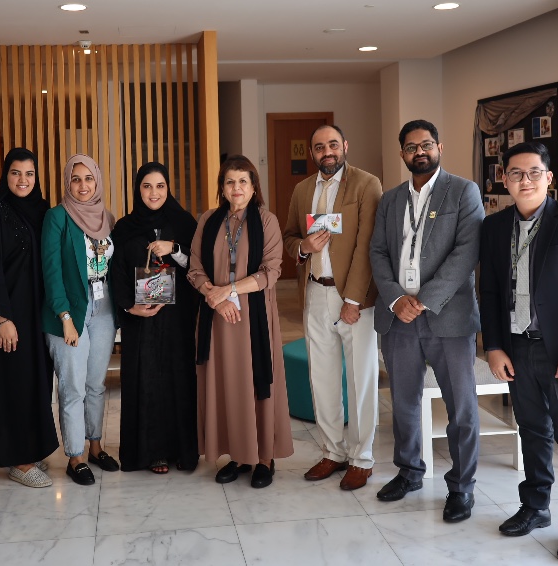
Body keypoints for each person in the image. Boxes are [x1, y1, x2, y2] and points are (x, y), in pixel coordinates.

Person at [480, 142, 558, 561]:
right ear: (504, 179)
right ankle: (535, 507)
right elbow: (491, 290)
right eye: (516, 173)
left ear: (549, 178)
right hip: (517, 347)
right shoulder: (494, 227)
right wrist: (493, 346)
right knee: (532, 431)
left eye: (534, 172)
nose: (525, 180)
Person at [369, 120, 484, 522]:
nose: (420, 151)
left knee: (462, 408)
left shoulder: (463, 191)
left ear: (439, 147)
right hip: (398, 317)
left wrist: (424, 301)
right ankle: (409, 471)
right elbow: (378, 253)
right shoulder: (390, 199)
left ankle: (462, 487)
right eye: (411, 146)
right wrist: (397, 299)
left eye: (426, 144)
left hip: (448, 318)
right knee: (403, 403)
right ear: (402, 153)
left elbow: (466, 254)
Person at [281, 124, 382, 491]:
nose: (328, 152)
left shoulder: (366, 185)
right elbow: (291, 236)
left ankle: (362, 457)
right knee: (321, 378)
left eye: (333, 145)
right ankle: (333, 452)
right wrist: (303, 247)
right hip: (315, 293)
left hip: (354, 298)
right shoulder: (302, 189)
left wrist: (353, 300)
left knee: (361, 379)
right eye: (320, 147)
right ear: (312, 152)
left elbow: (369, 245)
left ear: (345, 146)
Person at [189, 154, 293, 489]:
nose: (236, 188)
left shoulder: (267, 221)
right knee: (226, 383)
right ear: (222, 187)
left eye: (243, 182)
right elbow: (194, 268)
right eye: (230, 181)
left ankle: (264, 458)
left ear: (253, 187)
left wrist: (227, 291)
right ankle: (236, 454)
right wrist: (213, 296)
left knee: (254, 381)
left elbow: (270, 272)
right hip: (218, 319)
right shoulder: (207, 220)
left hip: (253, 318)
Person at [0, 147, 60, 489]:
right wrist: (2, 318)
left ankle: (33, 448)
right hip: (10, 314)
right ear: (5, 175)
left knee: (38, 381)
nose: (22, 180)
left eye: (29, 173)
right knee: (15, 383)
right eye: (15, 173)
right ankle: (19, 461)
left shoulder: (43, 210)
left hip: (38, 311)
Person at [110, 162, 200, 474]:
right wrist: (128, 306)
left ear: (168, 188)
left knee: (178, 378)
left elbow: (198, 265)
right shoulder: (124, 227)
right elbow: (115, 273)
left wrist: (173, 248)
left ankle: (181, 449)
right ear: (138, 189)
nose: (153, 192)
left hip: (177, 318)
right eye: (147, 186)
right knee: (145, 379)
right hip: (141, 317)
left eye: (160, 186)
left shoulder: (183, 222)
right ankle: (152, 452)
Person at [42, 153, 120, 486]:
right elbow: (51, 271)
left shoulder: (108, 218)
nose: (83, 186)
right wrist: (65, 317)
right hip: (69, 312)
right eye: (76, 179)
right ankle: (75, 456)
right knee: (72, 387)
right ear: (67, 183)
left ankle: (96, 446)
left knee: (96, 385)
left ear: (98, 181)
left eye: (89, 178)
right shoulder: (57, 217)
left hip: (103, 309)